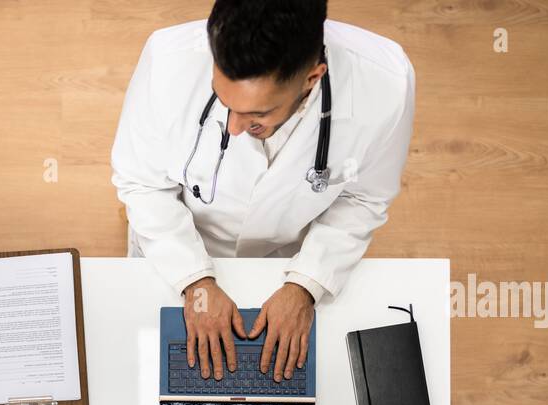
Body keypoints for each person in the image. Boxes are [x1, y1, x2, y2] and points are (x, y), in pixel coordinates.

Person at [111, 0, 415, 381]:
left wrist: (306, 285)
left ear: (312, 78)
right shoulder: (166, 60)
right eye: (224, 103)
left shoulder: (387, 84)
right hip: (176, 247)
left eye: (257, 115)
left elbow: (364, 198)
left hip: (288, 256)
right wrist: (195, 281)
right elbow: (142, 183)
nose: (234, 128)